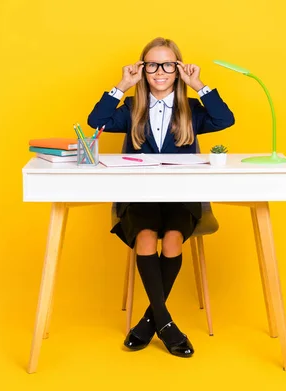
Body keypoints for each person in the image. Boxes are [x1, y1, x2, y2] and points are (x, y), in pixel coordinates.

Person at [87, 37, 234, 357]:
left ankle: (149, 321)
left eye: (168, 65)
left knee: (171, 240)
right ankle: (166, 323)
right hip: (138, 197)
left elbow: (225, 119)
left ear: (178, 69)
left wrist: (199, 85)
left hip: (182, 197)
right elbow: (96, 122)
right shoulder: (130, 109)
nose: (160, 71)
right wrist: (122, 85)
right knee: (145, 236)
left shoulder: (192, 110)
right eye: (152, 65)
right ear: (142, 69)